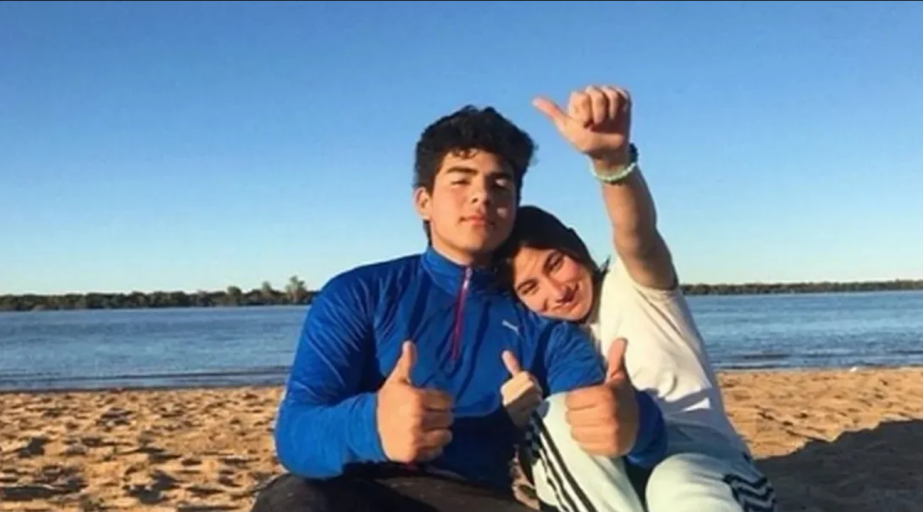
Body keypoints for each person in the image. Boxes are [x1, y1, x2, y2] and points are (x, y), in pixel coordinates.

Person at [250, 104, 669, 512]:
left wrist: (637, 426)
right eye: (460, 181)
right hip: (353, 488)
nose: (482, 196)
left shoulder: (543, 321)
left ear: (514, 206)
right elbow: (295, 434)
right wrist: (372, 424)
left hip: (475, 494)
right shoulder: (358, 293)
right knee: (292, 500)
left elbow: (598, 430)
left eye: (499, 185)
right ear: (423, 201)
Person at [497, 85, 778, 512]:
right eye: (530, 288)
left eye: (555, 264)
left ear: (575, 245)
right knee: (553, 416)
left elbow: (637, 234)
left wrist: (610, 163)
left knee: (673, 482)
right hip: (612, 480)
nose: (556, 291)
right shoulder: (550, 346)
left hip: (698, 455)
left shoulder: (634, 283)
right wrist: (522, 415)